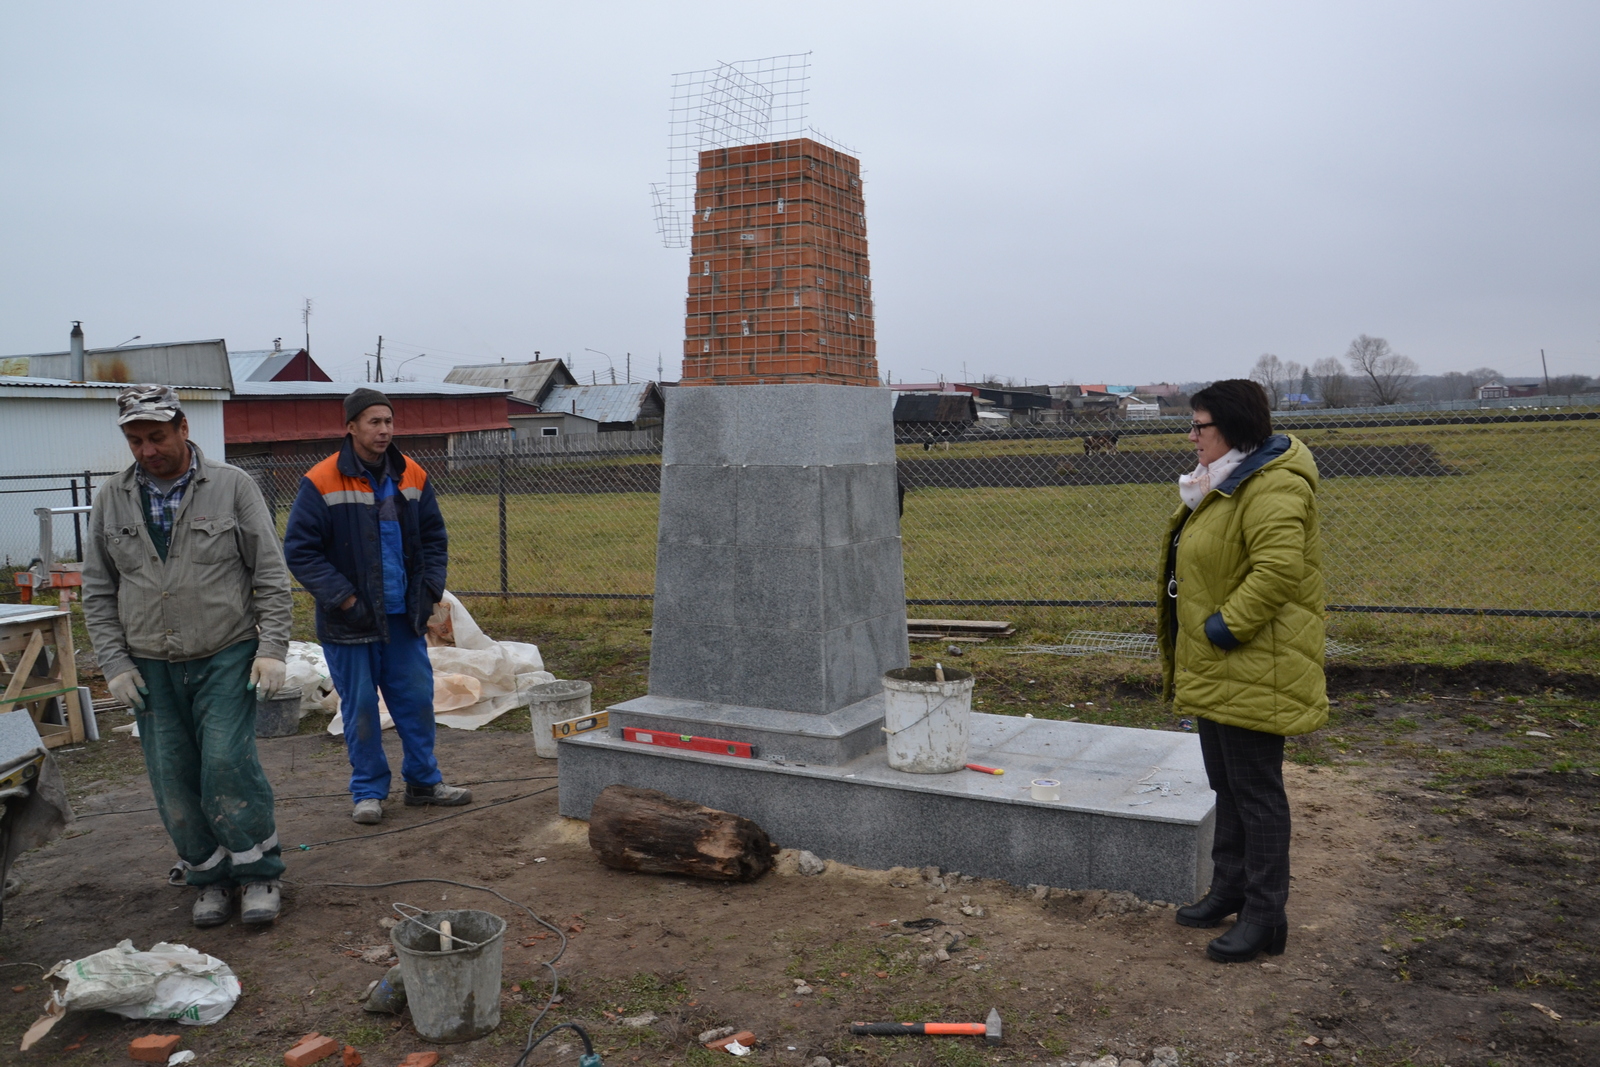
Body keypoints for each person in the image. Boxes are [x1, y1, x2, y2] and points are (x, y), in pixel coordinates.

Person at [82, 384, 292, 927]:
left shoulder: (231, 487)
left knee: (225, 763)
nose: (147, 450)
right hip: (150, 663)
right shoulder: (112, 498)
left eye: (156, 436)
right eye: (135, 440)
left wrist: (271, 649)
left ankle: (257, 872)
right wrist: (115, 664)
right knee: (172, 775)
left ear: (183, 427)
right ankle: (206, 875)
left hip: (225, 653)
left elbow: (269, 573)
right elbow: (98, 591)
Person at [1157, 378, 1327, 963]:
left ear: (1229, 427)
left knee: (1257, 792)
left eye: (1199, 425)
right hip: (1217, 665)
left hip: (1255, 661)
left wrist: (1226, 626)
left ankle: (1265, 916)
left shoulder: (1272, 485)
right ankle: (1228, 889)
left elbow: (1279, 570)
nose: (1192, 435)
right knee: (1226, 784)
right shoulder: (1225, 482)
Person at [282, 388, 471, 824]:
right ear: (350, 427)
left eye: (388, 421)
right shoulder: (322, 480)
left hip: (404, 617)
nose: (384, 430)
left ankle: (424, 782)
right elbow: (301, 551)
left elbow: (434, 539)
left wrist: (428, 591)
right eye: (374, 422)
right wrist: (345, 598)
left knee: (416, 700)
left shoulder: (413, 477)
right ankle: (368, 791)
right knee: (362, 707)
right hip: (350, 621)